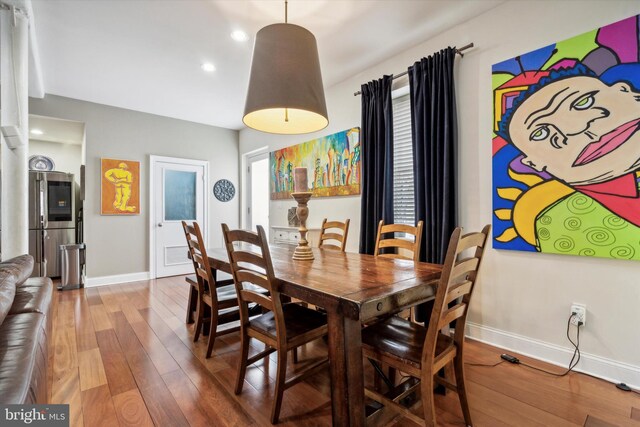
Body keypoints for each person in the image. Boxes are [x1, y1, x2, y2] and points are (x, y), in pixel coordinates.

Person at [497, 65, 640, 258]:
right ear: (534, 164)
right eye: (542, 133)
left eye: (583, 102)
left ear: (624, 91)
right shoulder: (558, 220)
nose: (577, 128)